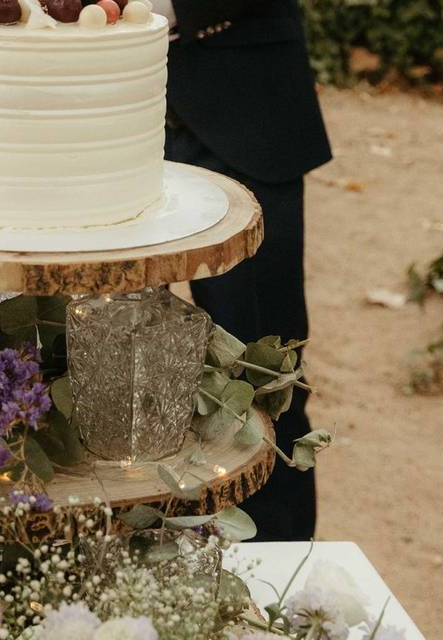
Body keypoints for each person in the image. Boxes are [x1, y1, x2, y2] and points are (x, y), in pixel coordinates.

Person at [157, 0, 332, 540]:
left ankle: (277, 575)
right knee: (93, 364)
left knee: (261, 372)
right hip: (94, 114)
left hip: (243, 101)